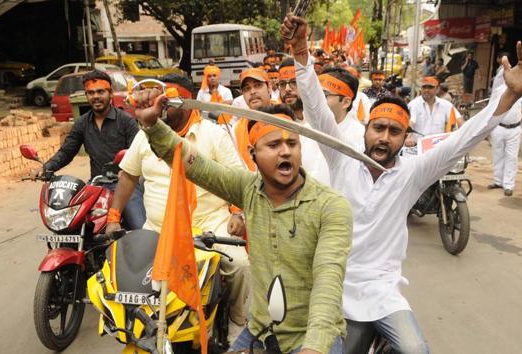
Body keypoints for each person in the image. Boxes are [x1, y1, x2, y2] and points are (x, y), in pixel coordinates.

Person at [283, 13, 522, 354]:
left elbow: (467, 136)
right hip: (336, 286)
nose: (384, 137)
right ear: (366, 129)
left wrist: (508, 95)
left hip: (385, 292)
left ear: (405, 137)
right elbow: (315, 109)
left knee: (417, 350)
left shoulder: (412, 173)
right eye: (378, 128)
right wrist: (301, 51)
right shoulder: (341, 157)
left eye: (394, 131)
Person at [132, 93, 353, 353]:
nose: (285, 151)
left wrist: (314, 347)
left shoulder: (331, 206)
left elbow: (328, 280)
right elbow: (193, 163)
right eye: (273, 145)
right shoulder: (247, 189)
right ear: (253, 154)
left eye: (292, 143)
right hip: (259, 329)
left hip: (311, 337)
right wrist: (152, 125)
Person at [106, 74, 250, 334]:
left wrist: (238, 213)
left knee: (240, 266)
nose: (159, 106)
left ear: (186, 102)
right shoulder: (145, 135)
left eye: (166, 101)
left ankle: (237, 325)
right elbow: (128, 176)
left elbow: (237, 179)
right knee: (123, 276)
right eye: (156, 100)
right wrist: (113, 216)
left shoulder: (214, 134)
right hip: (158, 230)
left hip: (208, 227)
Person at [37, 69, 144, 229]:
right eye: (91, 93)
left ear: (110, 93)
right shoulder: (82, 123)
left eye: (100, 91)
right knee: (72, 225)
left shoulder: (126, 121)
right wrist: (46, 168)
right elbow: (67, 152)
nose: (95, 96)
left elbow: (139, 152)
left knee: (140, 228)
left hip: (125, 185)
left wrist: (128, 169)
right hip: (96, 185)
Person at [277, 59, 331, 184]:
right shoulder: (275, 121)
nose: (288, 89)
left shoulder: (323, 121)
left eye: (294, 83)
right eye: (282, 84)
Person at [488, 70, 522, 196]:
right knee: (497, 154)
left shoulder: (521, 91)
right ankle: (498, 181)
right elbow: (491, 109)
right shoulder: (498, 91)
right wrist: (489, 127)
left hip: (515, 129)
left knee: (511, 157)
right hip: (499, 127)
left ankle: (509, 185)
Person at [405, 76, 464, 147]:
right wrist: (408, 138)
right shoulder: (414, 105)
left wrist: (464, 135)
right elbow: (411, 122)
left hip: (439, 147)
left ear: (437, 89)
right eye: (424, 87)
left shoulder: (446, 105)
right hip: (418, 147)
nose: (426, 90)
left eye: (430, 87)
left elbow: (459, 121)